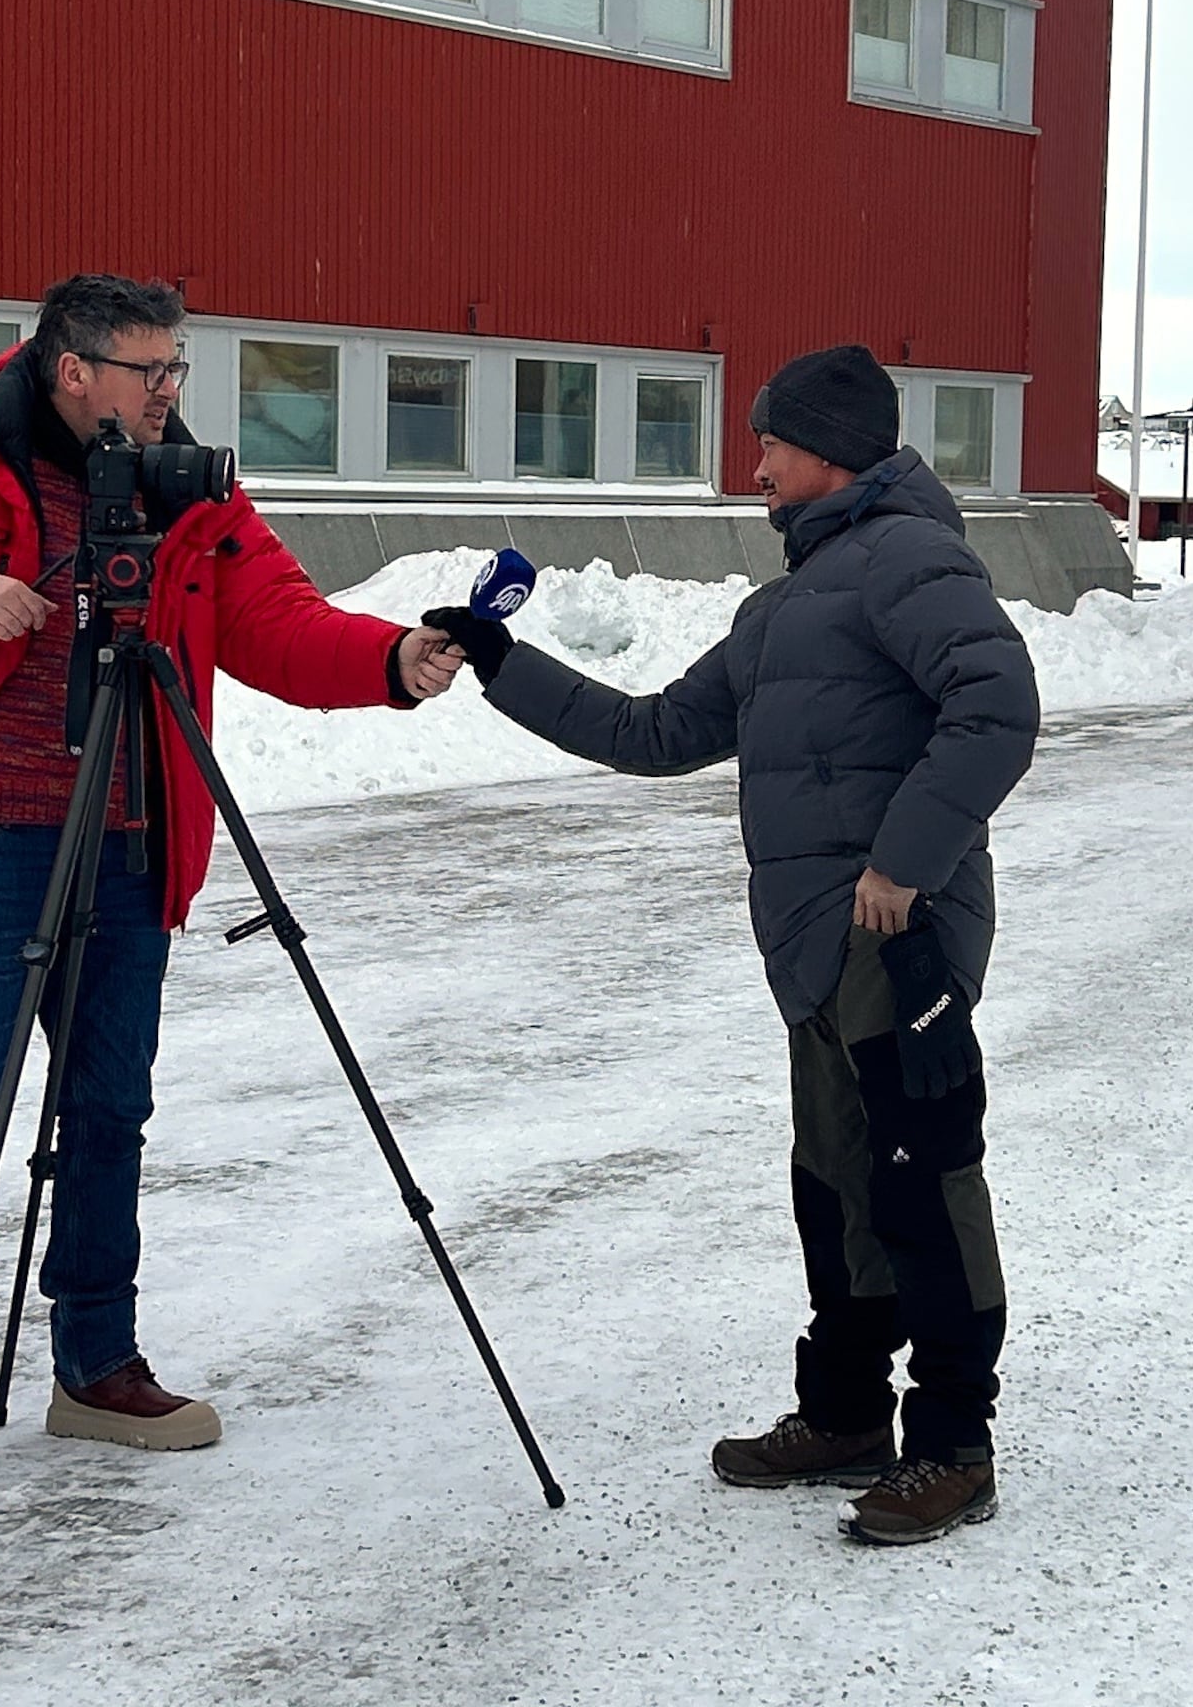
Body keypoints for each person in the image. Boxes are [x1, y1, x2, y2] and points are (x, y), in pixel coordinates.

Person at [0, 274, 468, 1501]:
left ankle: (96, 1362)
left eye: (179, 370)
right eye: (148, 373)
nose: (169, 395)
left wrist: (391, 662)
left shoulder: (189, 485)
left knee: (108, 1115)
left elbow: (277, 622)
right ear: (69, 368)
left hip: (131, 842)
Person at [421, 345, 1038, 1548]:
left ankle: (955, 1442)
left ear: (833, 451)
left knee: (923, 1182)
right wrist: (502, 662)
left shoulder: (911, 558)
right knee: (837, 1185)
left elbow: (998, 707)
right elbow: (654, 732)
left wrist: (902, 865)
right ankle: (850, 1411)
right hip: (815, 944)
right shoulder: (783, 606)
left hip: (898, 933)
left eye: (769, 443)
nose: (749, 466)